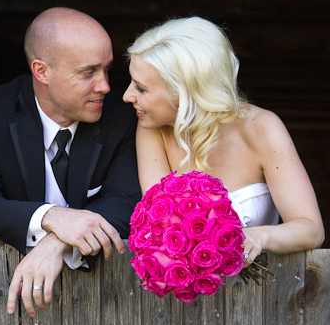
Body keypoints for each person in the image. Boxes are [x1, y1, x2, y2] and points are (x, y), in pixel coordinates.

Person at [0, 7, 141, 316]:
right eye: (88, 72)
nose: (105, 85)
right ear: (42, 71)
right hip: (1, 308)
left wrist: (56, 243)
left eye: (106, 69)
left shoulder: (124, 118)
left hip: (113, 307)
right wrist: (51, 217)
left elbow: (129, 202)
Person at [124, 16, 324, 261]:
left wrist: (260, 237)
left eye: (140, 88)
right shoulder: (151, 127)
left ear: (186, 93)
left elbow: (311, 230)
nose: (126, 96)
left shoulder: (262, 128)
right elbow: (162, 227)